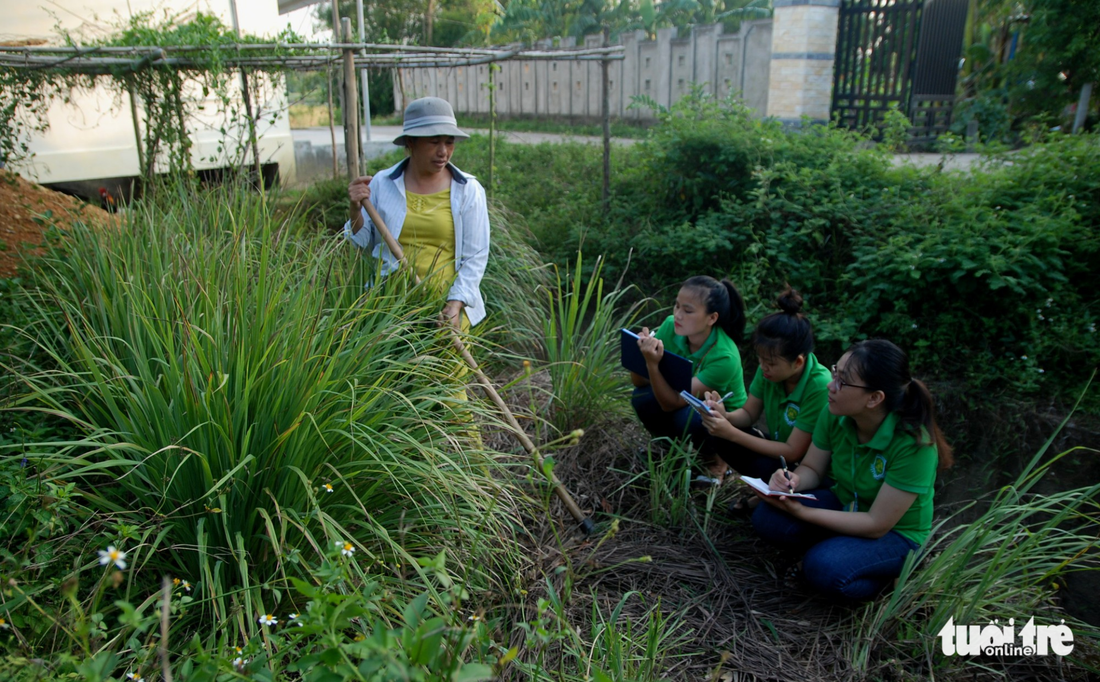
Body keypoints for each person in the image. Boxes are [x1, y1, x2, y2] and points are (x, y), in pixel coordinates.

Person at [751, 339, 953, 602]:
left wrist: (803, 512)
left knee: (824, 568)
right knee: (767, 517)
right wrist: (792, 481)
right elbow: (812, 468)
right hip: (847, 505)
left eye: (842, 382)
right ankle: (843, 551)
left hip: (896, 534)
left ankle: (886, 579)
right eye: (836, 373)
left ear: (874, 398)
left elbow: (876, 524)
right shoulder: (835, 413)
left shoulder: (914, 445)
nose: (830, 385)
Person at [343, 97, 489, 332]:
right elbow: (362, 243)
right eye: (433, 142)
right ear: (411, 142)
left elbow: (476, 257)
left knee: (444, 370)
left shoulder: (467, 189)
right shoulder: (383, 183)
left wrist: (455, 304)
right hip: (388, 309)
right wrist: (355, 209)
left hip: (443, 311)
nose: (443, 152)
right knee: (390, 370)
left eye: (449, 142)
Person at [698, 287, 830, 502]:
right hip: (782, 455)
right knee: (719, 437)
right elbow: (749, 414)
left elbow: (793, 451)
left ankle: (770, 495)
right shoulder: (770, 371)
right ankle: (765, 493)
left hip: (806, 469)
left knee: (733, 441)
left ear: (798, 362)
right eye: (760, 360)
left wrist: (730, 432)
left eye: (770, 363)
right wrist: (725, 415)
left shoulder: (819, 385)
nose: (763, 368)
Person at [630, 276, 748, 474]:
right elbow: (640, 382)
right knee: (642, 397)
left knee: (690, 418)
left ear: (712, 318)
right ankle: (666, 446)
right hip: (679, 398)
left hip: (722, 420)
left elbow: (672, 403)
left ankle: (716, 462)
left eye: (688, 310)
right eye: (676, 306)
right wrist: (640, 356)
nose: (678, 315)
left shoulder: (724, 357)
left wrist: (652, 365)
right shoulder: (670, 326)